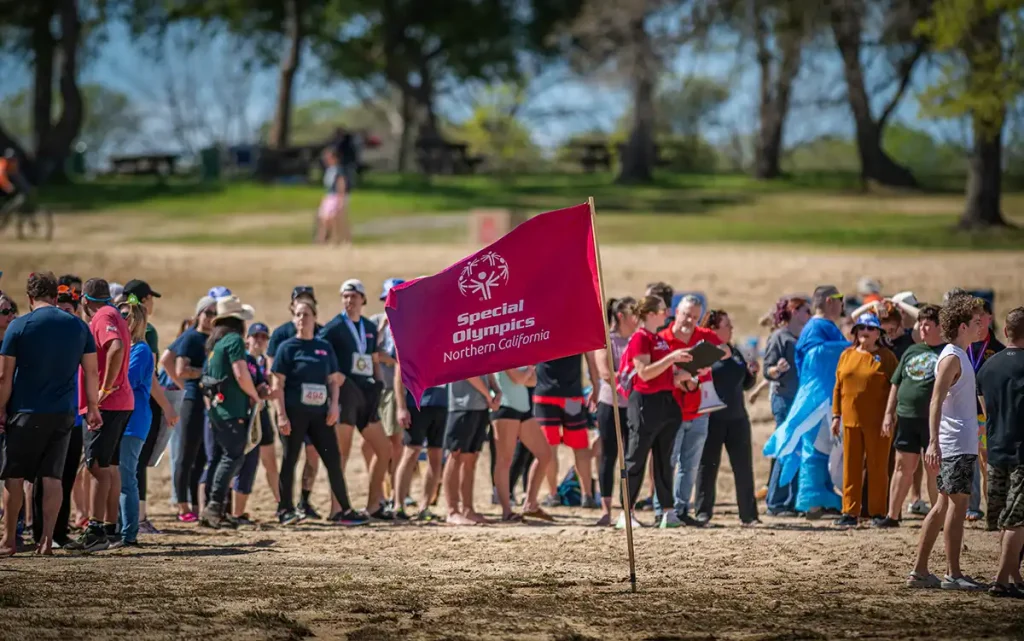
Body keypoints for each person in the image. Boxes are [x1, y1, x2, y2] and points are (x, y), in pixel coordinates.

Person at [0, 272, 101, 556]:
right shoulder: (79, 326)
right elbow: (91, 371)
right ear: (56, 297)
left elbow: (3, 377)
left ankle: (9, 541)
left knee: (15, 475)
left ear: (30, 298)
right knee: (52, 477)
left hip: (25, 410)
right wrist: (93, 407)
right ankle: (46, 540)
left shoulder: (19, 326)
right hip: (63, 412)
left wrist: (0, 409)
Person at [908, 295, 986, 590]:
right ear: (963, 325)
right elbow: (935, 401)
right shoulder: (952, 356)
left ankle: (920, 571)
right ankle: (953, 573)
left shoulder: (959, 354)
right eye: (977, 322)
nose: (981, 326)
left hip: (957, 443)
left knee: (942, 507)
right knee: (955, 506)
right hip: (953, 444)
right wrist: (933, 442)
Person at [272, 299, 366, 525]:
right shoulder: (287, 348)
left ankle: (345, 510)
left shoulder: (323, 348)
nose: (302, 319)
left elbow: (334, 380)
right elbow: (278, 384)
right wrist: (281, 414)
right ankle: (285, 509)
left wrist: (334, 405)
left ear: (315, 318)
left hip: (320, 417)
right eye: (298, 315)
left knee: (333, 460)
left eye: (306, 315)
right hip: (294, 415)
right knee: (290, 459)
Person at [763, 285, 849, 519]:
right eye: (840, 299)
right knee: (809, 448)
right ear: (830, 301)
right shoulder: (816, 327)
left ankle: (817, 498)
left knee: (819, 448)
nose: (842, 304)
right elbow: (815, 356)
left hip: (822, 399)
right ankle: (805, 499)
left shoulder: (824, 326)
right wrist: (851, 348)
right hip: (817, 399)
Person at [66, 279, 135, 553]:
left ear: (84, 300)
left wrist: (104, 388)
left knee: (95, 466)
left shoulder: (104, 315)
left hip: (110, 403)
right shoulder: (114, 313)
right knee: (106, 465)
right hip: (119, 402)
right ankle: (107, 526)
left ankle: (95, 530)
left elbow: (115, 346)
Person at [618, 295, 693, 529]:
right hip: (644, 403)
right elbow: (644, 373)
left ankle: (667, 512)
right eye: (662, 310)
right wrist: (671, 358)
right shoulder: (640, 338)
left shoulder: (658, 339)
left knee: (664, 459)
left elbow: (664, 375)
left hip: (665, 402)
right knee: (636, 459)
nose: (667, 313)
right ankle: (626, 512)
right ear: (650, 313)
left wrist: (687, 373)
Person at [319, 279, 392, 519]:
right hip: (345, 394)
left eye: (354, 296)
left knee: (384, 449)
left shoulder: (370, 327)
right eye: (345, 296)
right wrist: (332, 377)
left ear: (362, 299)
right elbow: (319, 350)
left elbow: (372, 358)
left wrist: (379, 381)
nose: (349, 301)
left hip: (366, 393)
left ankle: (373, 505)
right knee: (341, 454)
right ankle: (337, 509)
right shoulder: (334, 327)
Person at [657, 294, 729, 525]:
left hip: (699, 411)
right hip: (670, 411)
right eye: (686, 315)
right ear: (676, 313)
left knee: (690, 465)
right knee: (668, 462)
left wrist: (701, 365)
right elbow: (653, 372)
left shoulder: (703, 336)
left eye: (695, 317)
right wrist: (678, 373)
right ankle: (662, 510)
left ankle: (680, 510)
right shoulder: (662, 339)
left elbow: (726, 350)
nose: (690, 321)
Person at [198, 296, 263, 528]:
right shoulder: (234, 340)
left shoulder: (216, 344)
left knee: (219, 458)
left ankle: (210, 510)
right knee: (232, 457)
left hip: (217, 411)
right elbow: (240, 373)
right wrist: (255, 395)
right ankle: (215, 507)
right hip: (232, 410)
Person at [829, 313, 898, 528]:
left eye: (870, 329)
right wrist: (836, 415)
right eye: (861, 328)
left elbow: (897, 387)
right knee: (851, 467)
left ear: (878, 333)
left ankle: (877, 511)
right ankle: (850, 511)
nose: (865, 332)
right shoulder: (846, 355)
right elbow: (838, 387)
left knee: (878, 467)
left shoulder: (887, 357)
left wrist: (890, 415)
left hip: (878, 423)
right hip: (849, 421)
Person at [694, 310, 760, 526]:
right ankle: (703, 512)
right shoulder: (704, 351)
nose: (731, 329)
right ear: (713, 329)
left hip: (737, 418)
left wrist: (752, 374)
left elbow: (743, 384)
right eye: (727, 326)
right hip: (712, 418)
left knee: (743, 467)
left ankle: (749, 515)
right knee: (707, 466)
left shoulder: (734, 350)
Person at [880, 304, 944, 527]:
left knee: (934, 469)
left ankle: (938, 518)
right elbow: (896, 384)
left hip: (933, 421)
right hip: (906, 418)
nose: (923, 329)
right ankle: (892, 515)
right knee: (901, 467)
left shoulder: (948, 353)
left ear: (940, 326)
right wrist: (889, 414)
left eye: (928, 324)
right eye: (921, 324)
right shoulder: (912, 350)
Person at [977, 307, 1024, 597]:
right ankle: (1000, 580)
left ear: (1005, 331)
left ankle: (1012, 576)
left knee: (1005, 520)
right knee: (1017, 520)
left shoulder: (985, 368)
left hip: (995, 449)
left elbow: (986, 412)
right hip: (1022, 452)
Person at [123, 279, 176, 535]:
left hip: (116, 405)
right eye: (150, 298)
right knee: (138, 464)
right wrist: (167, 406)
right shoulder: (148, 332)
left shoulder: (115, 322)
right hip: (139, 406)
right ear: (143, 301)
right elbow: (151, 377)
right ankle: (139, 518)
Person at [267, 286, 323, 520]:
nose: (302, 305)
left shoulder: (321, 332)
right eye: (299, 301)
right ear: (292, 306)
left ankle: (304, 500)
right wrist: (279, 406)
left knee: (313, 454)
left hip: (315, 407)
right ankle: (285, 505)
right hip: (289, 405)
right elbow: (272, 371)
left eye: (307, 301)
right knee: (290, 456)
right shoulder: (281, 334)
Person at [160, 295, 216, 522]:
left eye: (215, 314)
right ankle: (182, 505)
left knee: (202, 454)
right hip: (193, 399)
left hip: (207, 400)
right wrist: (187, 384)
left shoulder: (214, 339)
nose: (211, 318)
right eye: (208, 313)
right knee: (186, 453)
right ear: (199, 314)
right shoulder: (191, 337)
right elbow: (176, 366)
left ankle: (193, 503)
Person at [533, 351, 601, 509]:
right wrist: (596, 386)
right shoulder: (576, 328)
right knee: (579, 446)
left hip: (545, 396)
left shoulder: (539, 327)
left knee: (550, 447)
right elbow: (590, 358)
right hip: (571, 396)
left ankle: (553, 494)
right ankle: (587, 495)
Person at [763, 295, 811, 516]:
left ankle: (793, 501)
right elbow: (767, 370)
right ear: (794, 312)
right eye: (806, 311)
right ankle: (777, 502)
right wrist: (777, 370)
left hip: (802, 400)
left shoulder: (804, 336)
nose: (809, 315)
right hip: (784, 399)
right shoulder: (778, 337)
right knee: (786, 448)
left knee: (799, 450)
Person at [593, 297, 636, 526]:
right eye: (633, 314)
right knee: (608, 457)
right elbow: (605, 373)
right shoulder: (606, 341)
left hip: (632, 407)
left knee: (632, 458)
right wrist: (632, 379)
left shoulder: (638, 340)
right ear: (621, 317)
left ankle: (629, 509)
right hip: (610, 404)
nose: (638, 319)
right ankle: (605, 509)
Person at [491, 365, 553, 522]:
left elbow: (532, 382)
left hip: (523, 407)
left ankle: (530, 504)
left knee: (544, 454)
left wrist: (525, 374)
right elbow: (518, 378)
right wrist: (529, 371)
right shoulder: (502, 349)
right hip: (504, 406)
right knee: (504, 460)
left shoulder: (519, 354)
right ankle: (506, 511)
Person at [231, 322, 279, 522]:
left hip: (261, 415)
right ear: (247, 339)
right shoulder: (243, 359)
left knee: (270, 462)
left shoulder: (261, 362)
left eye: (263, 337)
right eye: (255, 336)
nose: (259, 340)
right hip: (245, 416)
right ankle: (236, 511)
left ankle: (281, 504)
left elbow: (263, 390)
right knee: (242, 464)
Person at [115, 297, 153, 546]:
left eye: (125, 315)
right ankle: (118, 527)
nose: (121, 319)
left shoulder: (140, 350)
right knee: (118, 476)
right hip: (121, 419)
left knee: (127, 476)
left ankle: (128, 533)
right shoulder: (126, 348)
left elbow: (124, 379)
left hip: (133, 420)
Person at [394, 363, 448, 522]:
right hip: (417, 403)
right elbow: (399, 374)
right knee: (411, 453)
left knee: (436, 456)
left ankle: (425, 507)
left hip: (442, 405)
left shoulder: (447, 343)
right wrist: (401, 407)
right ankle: (398, 505)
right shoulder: (414, 341)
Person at [444, 376, 500, 525]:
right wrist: (489, 395)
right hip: (461, 406)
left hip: (480, 405)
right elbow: (468, 372)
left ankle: (468, 510)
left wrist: (496, 391)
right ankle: (452, 511)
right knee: (455, 456)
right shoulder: (460, 350)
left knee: (471, 458)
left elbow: (487, 370)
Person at [968, 297, 1005, 524]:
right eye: (974, 317)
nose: (978, 320)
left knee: (986, 461)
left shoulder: (999, 350)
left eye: (981, 315)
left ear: (990, 318)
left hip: (986, 415)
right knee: (968, 460)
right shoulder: (964, 345)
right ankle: (972, 507)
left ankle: (991, 506)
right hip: (965, 413)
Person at [375, 279, 404, 507]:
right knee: (377, 444)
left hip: (399, 391)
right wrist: (382, 327)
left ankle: (395, 491)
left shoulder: (408, 322)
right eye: (388, 298)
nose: (390, 303)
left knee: (396, 443)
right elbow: (371, 352)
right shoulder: (377, 322)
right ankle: (383, 492)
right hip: (380, 389)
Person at [316, 147, 352, 245]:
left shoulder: (338, 170)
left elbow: (341, 183)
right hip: (330, 195)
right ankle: (323, 239)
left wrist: (341, 198)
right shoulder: (329, 170)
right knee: (324, 217)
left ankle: (342, 239)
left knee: (337, 219)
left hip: (336, 195)